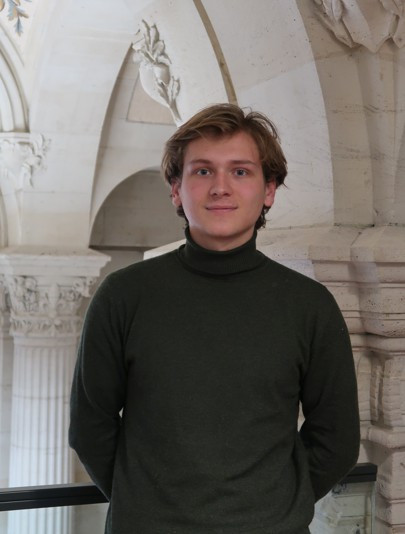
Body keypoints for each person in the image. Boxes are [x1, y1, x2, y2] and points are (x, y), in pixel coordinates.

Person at [69, 104, 360, 534]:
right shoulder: (123, 296)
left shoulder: (310, 306)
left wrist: (275, 508)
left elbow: (336, 440)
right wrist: (146, 504)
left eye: (240, 171)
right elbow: (90, 427)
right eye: (203, 171)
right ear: (176, 189)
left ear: (269, 190)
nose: (220, 187)